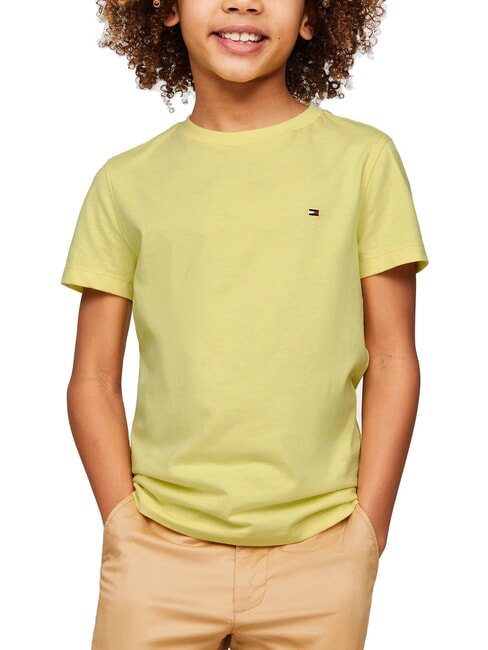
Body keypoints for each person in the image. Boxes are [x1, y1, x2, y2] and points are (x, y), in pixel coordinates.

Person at [62, 0, 428, 648]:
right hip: (158, 553)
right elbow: (92, 376)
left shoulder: (363, 161)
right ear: (165, 9)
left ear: (313, 15)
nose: (243, 3)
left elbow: (394, 357)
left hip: (321, 552)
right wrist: (123, 523)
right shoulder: (125, 182)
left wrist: (368, 531)